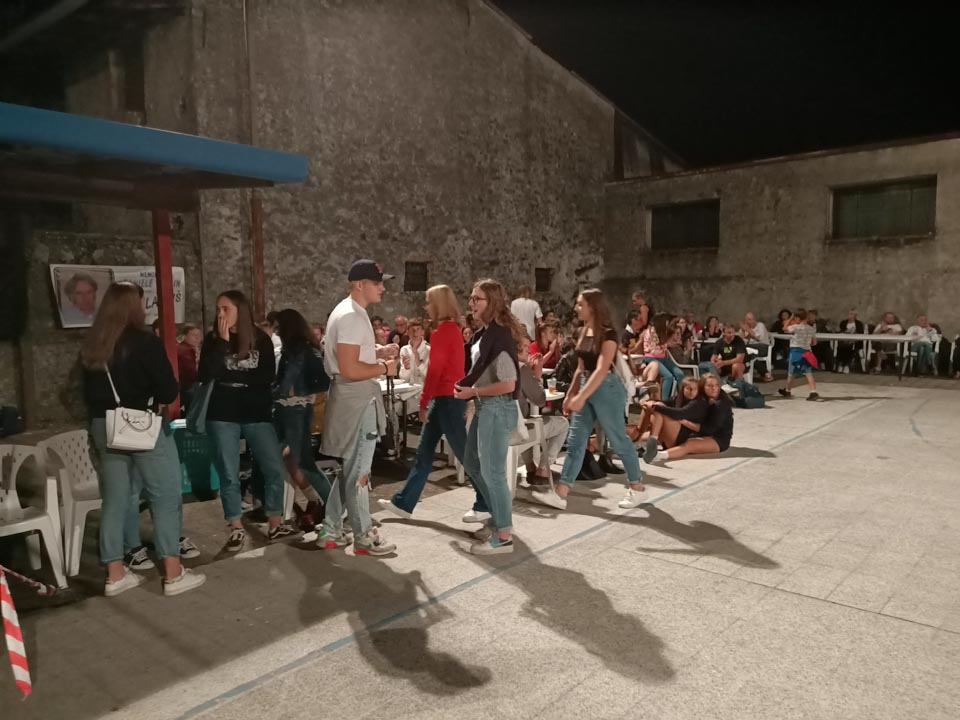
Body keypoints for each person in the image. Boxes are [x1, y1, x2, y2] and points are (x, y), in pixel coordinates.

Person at [81, 282, 205, 596]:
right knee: (165, 496)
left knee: (115, 499)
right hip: (140, 425)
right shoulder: (145, 342)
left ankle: (115, 575)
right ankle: (173, 574)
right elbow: (168, 390)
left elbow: (84, 393)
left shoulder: (93, 344)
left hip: (104, 425)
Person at [198, 290, 300, 552]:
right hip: (222, 413)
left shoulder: (259, 339)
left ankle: (275, 522)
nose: (220, 314)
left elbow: (265, 376)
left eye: (226, 309)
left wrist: (230, 376)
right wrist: (222, 345)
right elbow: (206, 374)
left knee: (273, 466)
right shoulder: (213, 339)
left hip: (256, 412)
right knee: (228, 472)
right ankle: (235, 526)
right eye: (218, 309)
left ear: (240, 311)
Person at [531, 289, 648, 511]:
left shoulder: (609, 334)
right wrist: (571, 395)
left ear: (593, 306)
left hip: (606, 388)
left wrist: (581, 396)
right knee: (576, 441)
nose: (576, 308)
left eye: (580, 304)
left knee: (618, 439)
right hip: (587, 384)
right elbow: (580, 368)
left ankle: (637, 487)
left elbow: (602, 369)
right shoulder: (584, 331)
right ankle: (561, 493)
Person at [319, 260, 398, 556]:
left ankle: (330, 529)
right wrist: (385, 367)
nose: (383, 287)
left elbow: (347, 356)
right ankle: (363, 536)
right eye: (377, 282)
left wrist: (376, 351)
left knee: (351, 469)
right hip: (357, 398)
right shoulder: (352, 315)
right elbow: (350, 368)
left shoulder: (347, 311)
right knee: (360, 472)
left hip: (349, 396)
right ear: (359, 284)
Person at [379, 285, 477, 519]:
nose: (426, 306)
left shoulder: (442, 332)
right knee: (425, 454)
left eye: (429, 301)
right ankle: (403, 503)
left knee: (465, 455)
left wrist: (423, 402)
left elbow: (435, 371)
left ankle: (488, 503)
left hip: (446, 400)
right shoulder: (453, 330)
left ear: (438, 304)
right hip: (446, 399)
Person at [453, 279, 524, 554]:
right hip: (485, 406)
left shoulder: (499, 335)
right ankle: (497, 519)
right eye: (471, 298)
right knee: (472, 463)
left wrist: (474, 391)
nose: (471, 303)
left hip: (496, 407)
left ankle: (503, 536)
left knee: (494, 473)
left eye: (477, 299)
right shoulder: (484, 333)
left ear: (491, 302)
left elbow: (508, 383)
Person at [273, 308, 333, 532]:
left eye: (279, 327)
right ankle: (319, 502)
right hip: (288, 408)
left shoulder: (304, 350)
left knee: (302, 462)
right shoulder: (296, 349)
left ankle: (331, 505)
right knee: (289, 459)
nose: (276, 331)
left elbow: (323, 381)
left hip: (295, 409)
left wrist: (296, 391)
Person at [515, 341, 570, 486]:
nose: (529, 351)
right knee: (563, 424)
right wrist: (537, 375)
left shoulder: (498, 365)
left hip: (500, 428)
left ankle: (530, 468)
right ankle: (543, 470)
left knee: (525, 419)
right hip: (518, 433)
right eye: (525, 347)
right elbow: (539, 400)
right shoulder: (521, 369)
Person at [646, 374, 734, 463]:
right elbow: (672, 403)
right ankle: (645, 440)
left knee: (690, 444)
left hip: (718, 438)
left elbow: (709, 429)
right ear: (702, 387)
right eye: (710, 386)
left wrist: (685, 422)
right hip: (700, 433)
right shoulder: (701, 398)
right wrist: (652, 403)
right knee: (657, 412)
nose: (714, 388)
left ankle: (658, 455)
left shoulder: (721, 404)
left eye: (716, 385)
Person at [638, 377, 711, 461]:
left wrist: (655, 406)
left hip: (683, 438)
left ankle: (651, 440)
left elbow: (680, 414)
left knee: (658, 409)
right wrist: (647, 402)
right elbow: (665, 402)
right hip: (674, 433)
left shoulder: (699, 402)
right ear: (683, 389)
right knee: (650, 407)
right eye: (688, 388)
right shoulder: (678, 398)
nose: (692, 391)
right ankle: (639, 436)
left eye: (695, 389)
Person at [777, 309, 819, 400]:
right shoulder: (811, 329)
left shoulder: (796, 327)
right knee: (808, 372)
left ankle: (788, 390)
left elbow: (784, 328)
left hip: (796, 352)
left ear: (797, 318)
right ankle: (813, 391)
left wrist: (790, 318)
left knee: (791, 372)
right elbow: (814, 343)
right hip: (807, 352)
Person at [642, 313, 685, 399]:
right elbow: (657, 346)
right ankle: (663, 401)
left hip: (662, 358)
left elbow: (667, 344)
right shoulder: (651, 331)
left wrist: (674, 340)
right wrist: (669, 342)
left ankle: (681, 398)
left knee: (680, 374)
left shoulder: (662, 331)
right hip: (652, 358)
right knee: (668, 376)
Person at [739, 312, 773, 381]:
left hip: (763, 347)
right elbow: (741, 341)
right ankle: (765, 373)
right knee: (746, 353)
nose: (751, 321)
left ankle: (763, 373)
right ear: (745, 320)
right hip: (750, 349)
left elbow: (759, 338)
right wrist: (742, 330)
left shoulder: (760, 325)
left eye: (752, 319)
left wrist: (748, 330)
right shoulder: (745, 327)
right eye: (748, 320)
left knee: (744, 349)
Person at [398, 317, 430, 384]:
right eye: (412, 329)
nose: (415, 332)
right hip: (409, 388)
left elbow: (431, 377)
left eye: (418, 329)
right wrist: (406, 369)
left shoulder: (429, 350)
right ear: (407, 332)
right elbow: (403, 378)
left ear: (422, 332)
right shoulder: (404, 350)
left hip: (424, 388)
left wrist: (419, 364)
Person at [177, 324, 203, 401]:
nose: (197, 338)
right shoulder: (186, 350)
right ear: (184, 336)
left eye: (199, 335)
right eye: (193, 335)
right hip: (185, 387)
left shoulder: (184, 348)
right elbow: (191, 373)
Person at [835, 309, 866, 373]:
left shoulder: (859, 324)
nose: (849, 315)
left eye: (851, 314)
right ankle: (840, 364)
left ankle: (846, 365)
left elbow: (860, 334)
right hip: (843, 340)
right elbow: (839, 332)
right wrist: (845, 332)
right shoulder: (843, 322)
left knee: (849, 347)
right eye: (849, 314)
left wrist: (853, 334)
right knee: (841, 346)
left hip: (854, 342)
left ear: (855, 316)